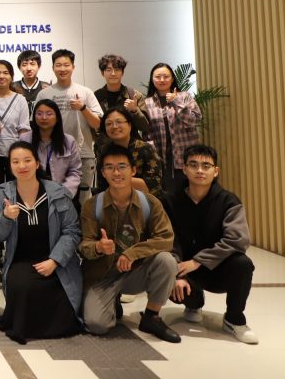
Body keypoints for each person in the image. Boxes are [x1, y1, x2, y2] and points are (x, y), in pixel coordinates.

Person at [79, 146, 180, 343]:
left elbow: (166, 238)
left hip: (137, 271)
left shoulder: (150, 203)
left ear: (133, 170)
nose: (116, 172)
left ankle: (152, 317)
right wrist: (99, 247)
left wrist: (132, 253)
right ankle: (112, 301)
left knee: (166, 261)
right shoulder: (92, 206)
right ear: (103, 173)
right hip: (104, 275)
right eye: (109, 167)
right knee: (97, 325)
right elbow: (84, 246)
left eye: (122, 166)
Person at [163, 145, 257, 343]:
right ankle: (193, 303)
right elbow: (167, 239)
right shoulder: (170, 200)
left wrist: (198, 261)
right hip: (184, 269)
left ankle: (234, 319)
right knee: (164, 267)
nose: (200, 170)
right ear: (184, 169)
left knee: (243, 264)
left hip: (217, 269)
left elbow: (238, 239)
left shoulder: (229, 201)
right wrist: (177, 272)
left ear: (215, 171)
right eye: (193, 165)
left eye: (206, 166)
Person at [0, 142, 82, 344]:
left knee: (64, 298)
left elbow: (72, 231)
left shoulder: (57, 192)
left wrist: (54, 261)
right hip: (20, 260)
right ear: (10, 165)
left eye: (27, 160)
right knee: (23, 285)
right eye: (15, 162)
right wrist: (6, 217)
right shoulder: (3, 193)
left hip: (56, 261)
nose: (22, 166)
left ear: (37, 163)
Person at [36, 49, 102, 198]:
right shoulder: (44, 94)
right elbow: (36, 124)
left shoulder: (85, 92)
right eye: (58, 65)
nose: (62, 69)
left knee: (84, 199)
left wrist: (83, 108)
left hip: (83, 153)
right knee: (55, 197)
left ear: (73, 67)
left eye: (66, 65)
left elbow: (98, 124)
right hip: (52, 154)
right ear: (53, 68)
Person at [143, 62, 202, 195]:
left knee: (190, 194)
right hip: (162, 159)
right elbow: (147, 132)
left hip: (185, 155)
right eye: (158, 77)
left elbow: (194, 120)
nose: (162, 80)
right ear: (152, 79)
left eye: (166, 76)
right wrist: (152, 152)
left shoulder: (185, 97)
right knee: (167, 196)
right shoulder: (147, 103)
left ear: (172, 78)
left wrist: (176, 101)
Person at [19, 100, 82, 199]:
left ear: (57, 118)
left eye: (49, 114)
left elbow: (75, 171)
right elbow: (20, 168)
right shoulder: (25, 139)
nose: (44, 117)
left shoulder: (68, 141)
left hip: (61, 193)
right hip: (32, 193)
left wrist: (64, 191)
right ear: (34, 117)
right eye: (39, 114)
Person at [97, 108, 164, 197]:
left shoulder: (145, 149)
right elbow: (102, 185)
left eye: (119, 122)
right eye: (109, 124)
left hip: (143, 201)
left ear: (130, 125)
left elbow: (155, 187)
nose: (114, 126)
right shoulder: (103, 150)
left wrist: (117, 178)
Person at [93, 54, 150, 148]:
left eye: (117, 69)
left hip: (131, 147)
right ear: (102, 73)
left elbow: (145, 127)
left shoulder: (134, 95)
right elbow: (93, 127)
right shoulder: (96, 97)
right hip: (105, 148)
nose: (113, 73)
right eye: (108, 70)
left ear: (122, 73)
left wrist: (135, 110)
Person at [12, 50, 50, 115]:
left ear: (39, 66)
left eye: (32, 64)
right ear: (19, 67)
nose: (29, 68)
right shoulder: (13, 87)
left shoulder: (47, 87)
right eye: (24, 64)